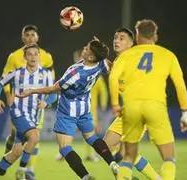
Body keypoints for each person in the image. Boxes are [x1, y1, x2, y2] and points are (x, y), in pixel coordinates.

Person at [18, 39, 119, 180]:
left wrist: (32, 91)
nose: (84, 48)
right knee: (93, 138)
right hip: (84, 109)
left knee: (64, 147)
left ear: (91, 57)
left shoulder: (75, 74)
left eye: (87, 49)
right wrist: (100, 48)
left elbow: (54, 88)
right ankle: (113, 163)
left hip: (68, 112)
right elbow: (111, 65)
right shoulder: (100, 64)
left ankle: (85, 176)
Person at [109, 19, 187, 180]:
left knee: (128, 156)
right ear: (156, 37)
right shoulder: (168, 55)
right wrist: (185, 113)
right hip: (155, 106)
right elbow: (180, 85)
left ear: (137, 37)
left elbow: (113, 78)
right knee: (168, 157)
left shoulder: (128, 55)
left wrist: (114, 103)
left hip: (131, 107)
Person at [0, 44, 57, 180]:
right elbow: (0, 83)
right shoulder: (17, 73)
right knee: (34, 137)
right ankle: (22, 170)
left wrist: (46, 103)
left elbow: (54, 94)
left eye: (36, 53)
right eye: (29, 54)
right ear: (25, 57)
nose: (33, 56)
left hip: (34, 116)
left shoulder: (46, 74)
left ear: (40, 56)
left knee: (16, 151)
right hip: (18, 112)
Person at [103, 28, 160, 179]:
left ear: (130, 43)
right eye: (115, 37)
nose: (116, 41)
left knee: (114, 150)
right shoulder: (120, 61)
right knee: (117, 150)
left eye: (121, 38)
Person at [2, 24, 55, 179]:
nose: (30, 37)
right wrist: (9, 98)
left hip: (37, 104)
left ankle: (29, 170)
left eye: (33, 35)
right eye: (27, 35)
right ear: (22, 37)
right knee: (14, 135)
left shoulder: (46, 56)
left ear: (37, 37)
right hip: (19, 105)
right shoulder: (14, 57)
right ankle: (7, 156)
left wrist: (48, 100)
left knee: (34, 136)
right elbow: (5, 79)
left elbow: (51, 82)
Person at [55, 49, 109, 162]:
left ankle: (90, 154)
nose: (78, 60)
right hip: (71, 107)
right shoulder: (73, 72)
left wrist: (103, 104)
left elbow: (103, 91)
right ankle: (64, 152)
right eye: (76, 58)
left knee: (90, 132)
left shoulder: (94, 73)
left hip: (88, 108)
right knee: (69, 131)